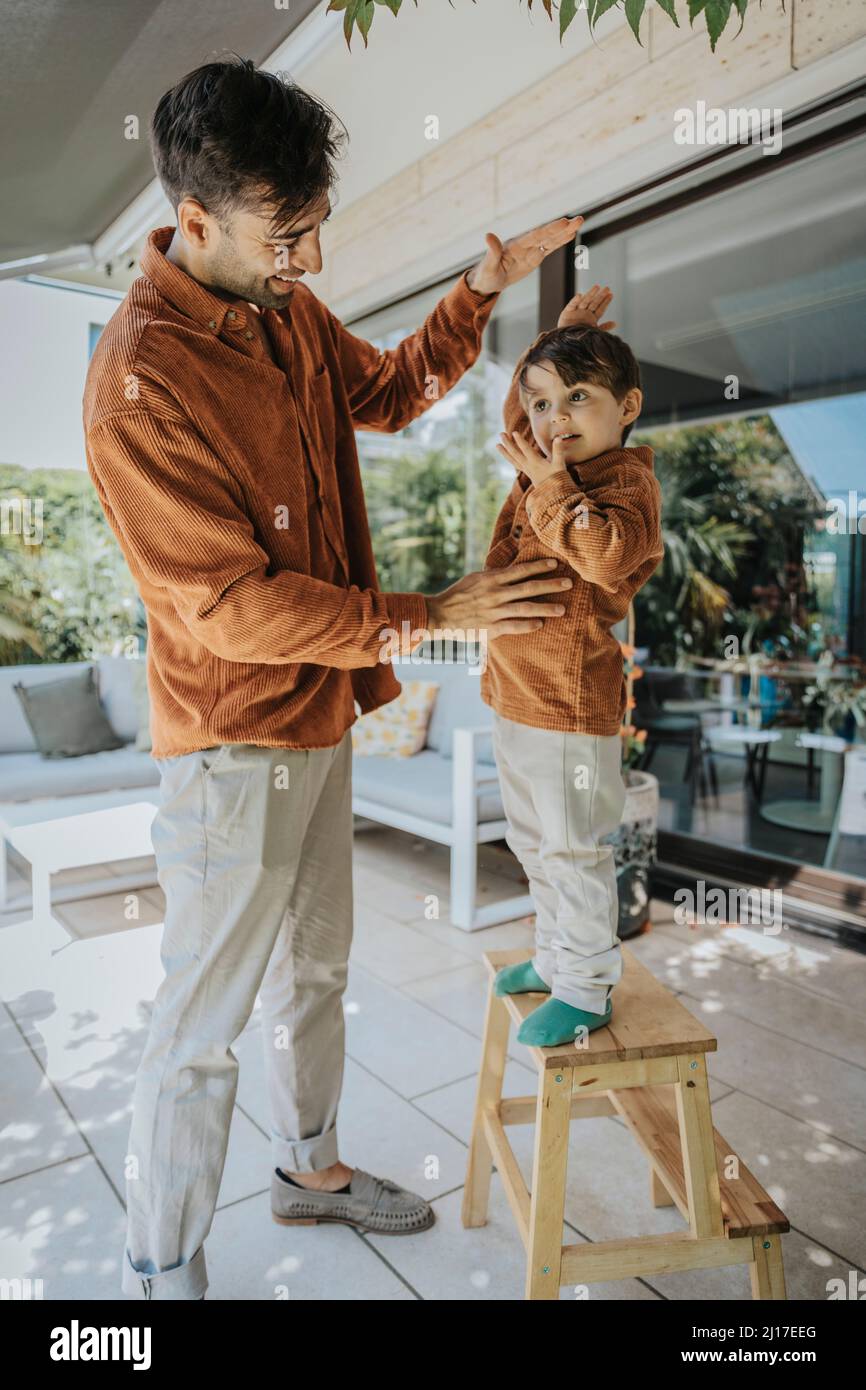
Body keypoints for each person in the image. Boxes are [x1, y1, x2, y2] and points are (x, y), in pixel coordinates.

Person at [82, 54, 582, 1300]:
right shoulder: (138, 382)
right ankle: (160, 1273)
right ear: (194, 221)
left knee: (319, 971)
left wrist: (477, 291)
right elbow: (233, 605)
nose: (306, 258)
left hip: (318, 722)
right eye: (282, 233)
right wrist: (430, 614)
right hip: (229, 746)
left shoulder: (285, 313)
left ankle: (307, 1173)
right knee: (201, 1032)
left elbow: (398, 390)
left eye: (315, 230)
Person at [479, 287, 665, 1047]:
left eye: (578, 399)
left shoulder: (626, 484)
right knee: (532, 844)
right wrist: (556, 341)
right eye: (543, 405)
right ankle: (557, 959)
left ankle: (588, 987)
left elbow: (606, 552)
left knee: (574, 849)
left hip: (570, 709)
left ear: (628, 407)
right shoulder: (547, 457)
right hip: (515, 697)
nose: (553, 423)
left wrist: (553, 486)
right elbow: (520, 415)